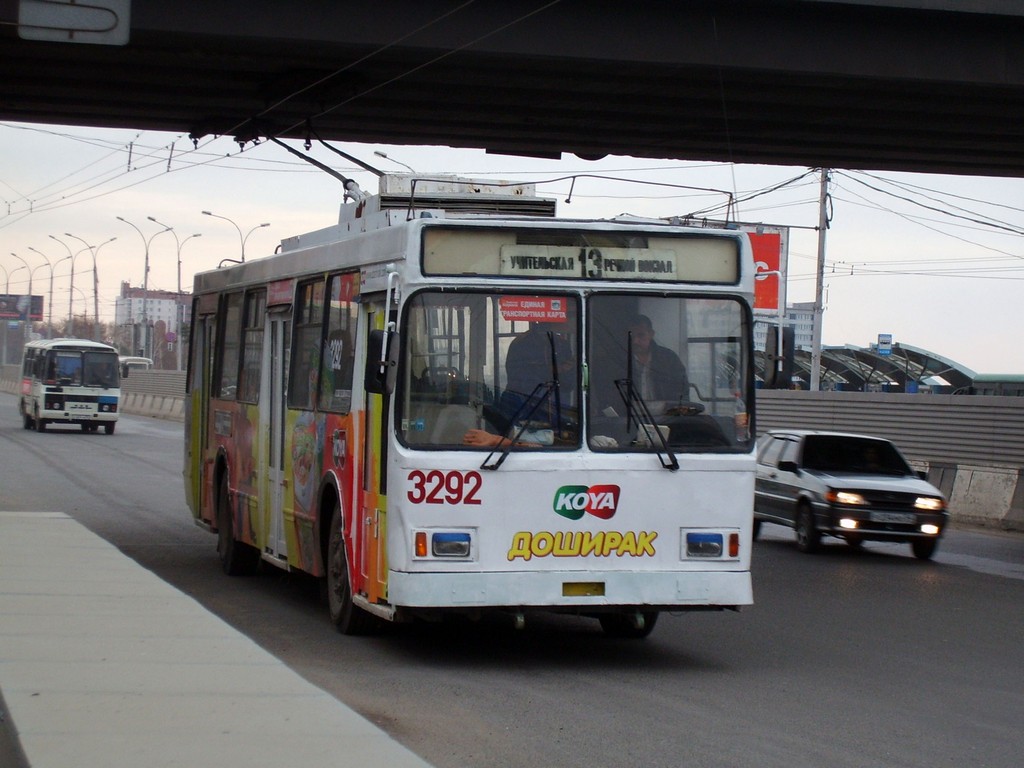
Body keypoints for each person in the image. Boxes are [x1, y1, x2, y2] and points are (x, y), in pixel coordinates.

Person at [625, 314, 689, 407]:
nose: (635, 341)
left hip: (664, 416)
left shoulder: (669, 358)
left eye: (641, 335)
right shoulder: (619, 359)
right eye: (632, 336)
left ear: (651, 334)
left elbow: (682, 393)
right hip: (629, 417)